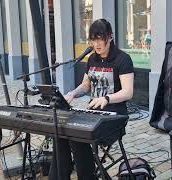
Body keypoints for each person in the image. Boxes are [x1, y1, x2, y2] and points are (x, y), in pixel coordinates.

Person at [48, 18, 134, 180]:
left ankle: (87, 176)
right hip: (93, 114)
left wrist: (107, 98)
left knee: (77, 136)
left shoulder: (123, 59)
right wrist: (72, 93)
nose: (97, 44)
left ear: (110, 37)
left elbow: (128, 92)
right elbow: (86, 85)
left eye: (100, 39)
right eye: (93, 39)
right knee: (60, 132)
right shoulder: (92, 59)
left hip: (115, 117)